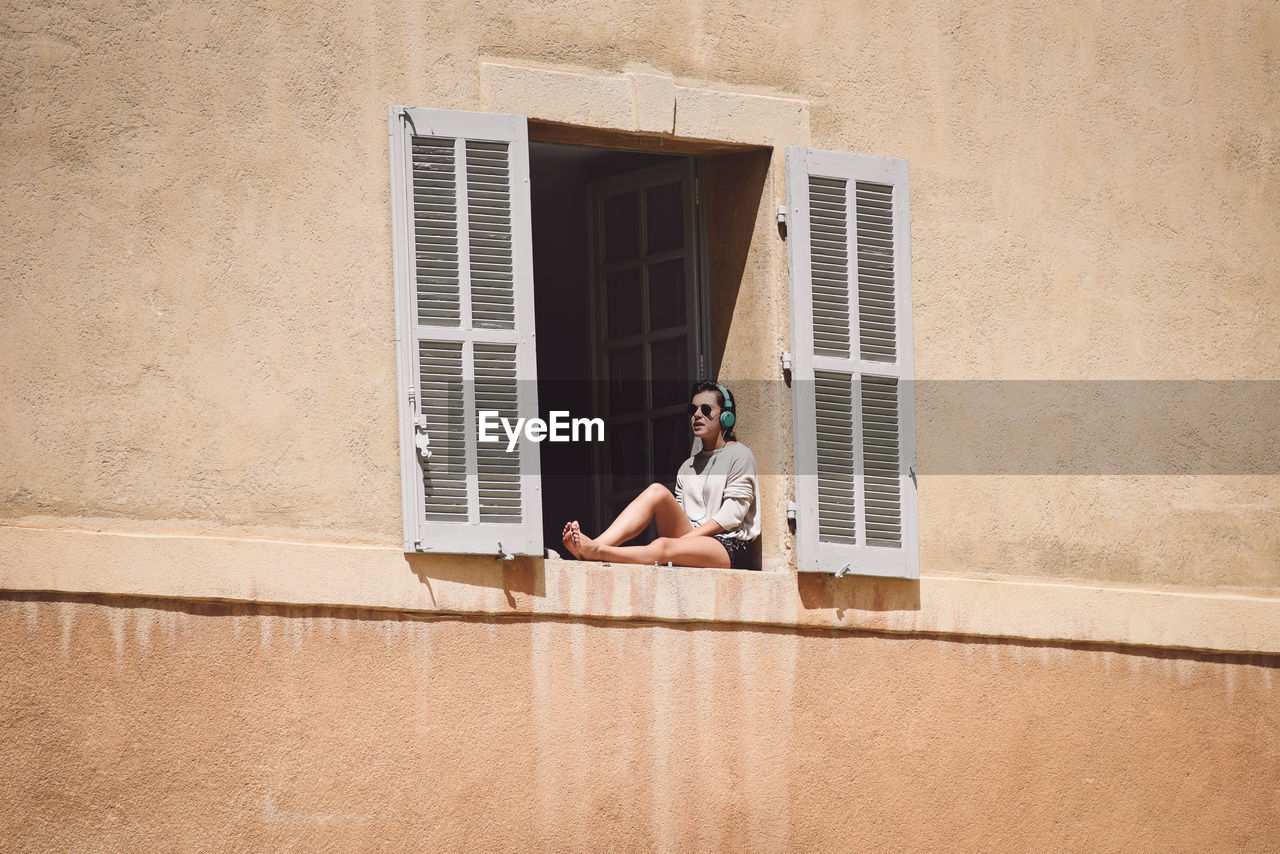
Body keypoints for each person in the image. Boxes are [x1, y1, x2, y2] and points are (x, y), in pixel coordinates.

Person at [562, 381, 760, 570]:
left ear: (726, 416)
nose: (697, 415)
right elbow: (681, 513)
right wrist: (686, 541)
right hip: (691, 540)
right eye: (693, 410)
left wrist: (682, 542)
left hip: (727, 545)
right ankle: (593, 546)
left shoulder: (740, 455)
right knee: (656, 491)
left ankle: (599, 552)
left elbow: (731, 516)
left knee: (664, 546)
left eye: (706, 409)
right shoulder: (687, 467)